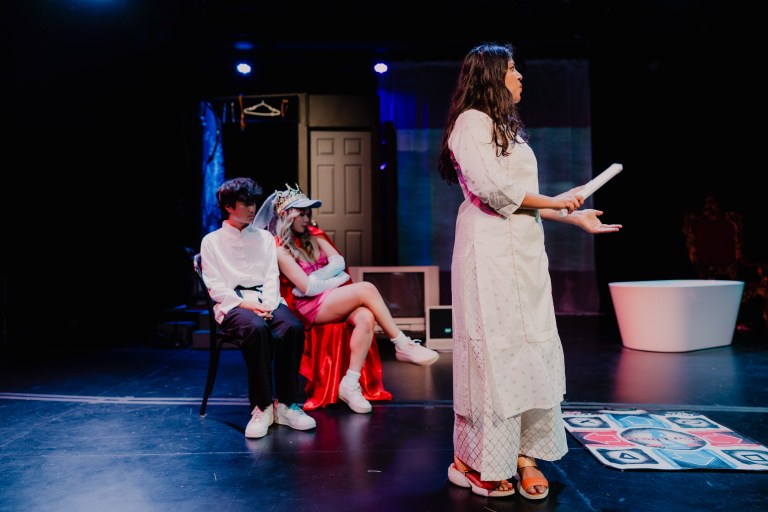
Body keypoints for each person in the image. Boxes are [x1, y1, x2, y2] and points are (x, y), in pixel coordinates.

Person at [437, 43, 622, 499]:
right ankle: (477, 459)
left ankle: (524, 456)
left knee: (527, 353)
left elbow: (524, 197)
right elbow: (493, 190)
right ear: (492, 75)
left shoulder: (509, 129)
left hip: (524, 251)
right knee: (493, 354)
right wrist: (558, 201)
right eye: (514, 68)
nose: (521, 76)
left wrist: (569, 215)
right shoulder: (471, 123)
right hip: (489, 251)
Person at [254, 184, 440, 414]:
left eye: (307, 212)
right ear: (286, 216)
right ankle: (402, 344)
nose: (306, 217)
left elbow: (338, 263)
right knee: (367, 289)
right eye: (301, 213)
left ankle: (349, 384)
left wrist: (322, 277)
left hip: (329, 297)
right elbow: (307, 289)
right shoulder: (280, 250)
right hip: (308, 308)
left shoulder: (314, 235)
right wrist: (330, 278)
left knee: (365, 316)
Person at [199, 177, 317, 439]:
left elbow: (270, 276)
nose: (252, 208)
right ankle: (261, 406)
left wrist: (268, 304)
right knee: (256, 328)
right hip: (232, 304)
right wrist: (246, 304)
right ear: (229, 206)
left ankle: (286, 404)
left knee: (293, 327)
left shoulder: (264, 238)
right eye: (245, 203)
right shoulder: (212, 241)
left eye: (254, 202)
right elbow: (215, 287)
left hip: (267, 299)